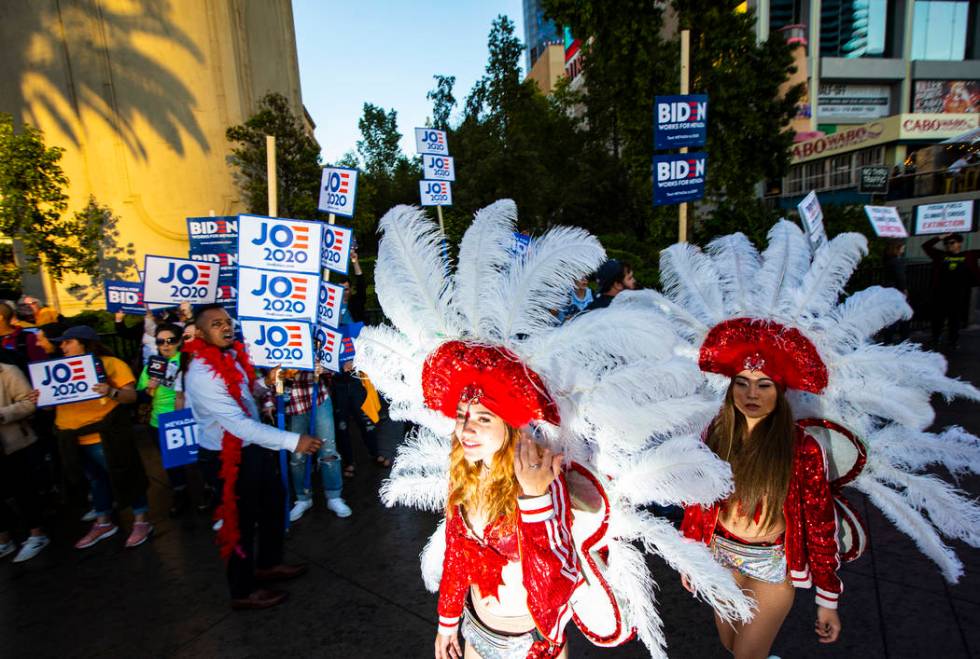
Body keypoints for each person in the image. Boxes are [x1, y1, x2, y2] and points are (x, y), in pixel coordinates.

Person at [356, 201, 754, 658]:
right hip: (473, 632)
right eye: (464, 416)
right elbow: (458, 553)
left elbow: (553, 588)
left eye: (483, 418)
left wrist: (535, 501)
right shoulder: (464, 477)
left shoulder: (545, 482)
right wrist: (447, 625)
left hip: (534, 646)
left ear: (511, 428)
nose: (466, 427)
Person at [680, 327, 842, 657]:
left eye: (763, 384)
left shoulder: (802, 449)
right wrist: (691, 557)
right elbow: (695, 502)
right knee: (731, 645)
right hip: (719, 558)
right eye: (742, 383)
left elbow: (820, 524)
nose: (751, 393)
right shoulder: (713, 435)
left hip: (770, 566)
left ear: (780, 392)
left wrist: (828, 598)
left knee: (747, 654)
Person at [182, 304, 323, 610]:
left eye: (227, 322)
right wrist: (294, 441)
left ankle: (268, 565)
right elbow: (239, 426)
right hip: (225, 458)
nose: (226, 327)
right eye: (216, 324)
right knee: (239, 524)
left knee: (273, 505)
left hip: (253, 449)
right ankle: (243, 590)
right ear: (201, 333)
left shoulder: (230, 355)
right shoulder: (201, 374)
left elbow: (246, 392)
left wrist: (269, 382)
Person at [31, 325, 153, 549]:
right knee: (96, 481)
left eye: (68, 342)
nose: (62, 346)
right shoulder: (56, 369)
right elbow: (49, 408)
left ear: (85, 343)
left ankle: (141, 520)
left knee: (127, 476)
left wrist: (111, 391)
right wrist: (40, 399)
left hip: (104, 435)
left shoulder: (112, 364)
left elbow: (131, 397)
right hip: (71, 437)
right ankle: (103, 521)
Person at [281, 369, 352, 522]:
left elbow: (332, 367)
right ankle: (303, 498)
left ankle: (334, 496)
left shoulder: (316, 343)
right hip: (292, 403)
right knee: (297, 455)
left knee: (328, 449)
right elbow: (268, 373)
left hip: (318, 397)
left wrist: (325, 369)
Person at [137, 323, 191, 516]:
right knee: (172, 463)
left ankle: (206, 491)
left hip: (187, 418)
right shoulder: (152, 365)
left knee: (195, 460)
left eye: (171, 341)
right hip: (158, 422)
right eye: (161, 342)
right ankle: (180, 494)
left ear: (179, 342)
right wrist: (149, 388)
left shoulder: (188, 360)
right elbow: (140, 396)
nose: (166, 345)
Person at [0, 354, 49, 562]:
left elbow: (29, 403)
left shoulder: (8, 372)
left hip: (12, 444)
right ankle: (4, 539)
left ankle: (37, 535)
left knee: (23, 490)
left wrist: (2, 414)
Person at [923, 233, 980, 350]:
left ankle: (952, 341)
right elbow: (926, 246)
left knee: (955, 319)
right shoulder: (941, 255)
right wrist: (941, 236)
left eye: (952, 242)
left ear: (959, 243)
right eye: (946, 243)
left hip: (959, 293)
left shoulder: (968, 255)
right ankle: (935, 338)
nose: (948, 245)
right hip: (941, 292)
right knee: (938, 317)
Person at [881, 239, 911, 343]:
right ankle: (903, 339)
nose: (904, 249)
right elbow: (900, 277)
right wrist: (904, 289)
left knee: (891, 316)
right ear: (897, 249)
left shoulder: (888, 260)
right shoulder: (897, 262)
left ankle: (888, 340)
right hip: (897, 291)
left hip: (889, 290)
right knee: (902, 317)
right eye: (902, 247)